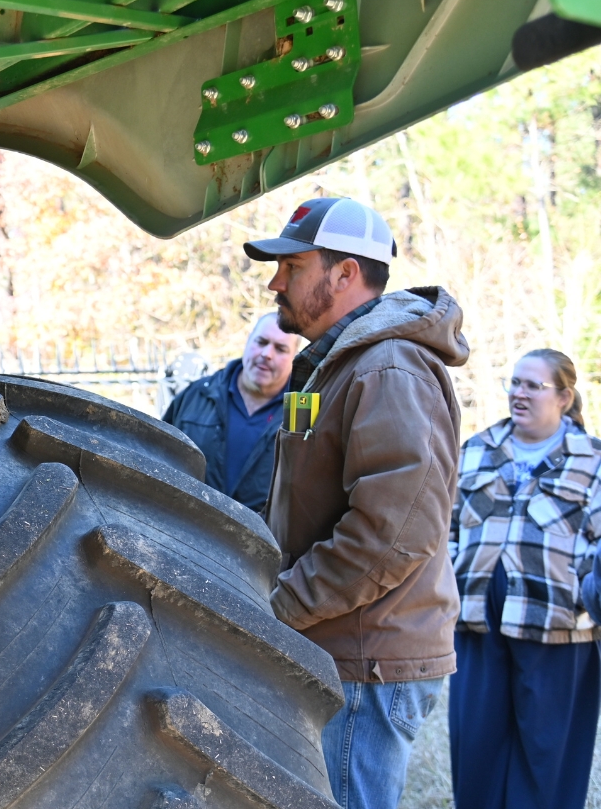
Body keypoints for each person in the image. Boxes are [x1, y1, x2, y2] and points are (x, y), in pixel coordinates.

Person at [245, 196, 467, 809]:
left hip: (366, 659)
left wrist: (280, 605)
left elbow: (392, 535)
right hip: (341, 644)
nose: (275, 282)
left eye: (292, 267)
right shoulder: (341, 366)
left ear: (344, 274)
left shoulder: (388, 369)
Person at [450, 349, 601, 809]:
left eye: (533, 385)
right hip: (478, 627)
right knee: (475, 753)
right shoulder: (477, 451)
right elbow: (447, 531)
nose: (519, 393)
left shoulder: (592, 461)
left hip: (560, 635)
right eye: (514, 383)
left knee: (547, 766)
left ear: (564, 396)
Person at [163, 314, 299, 511]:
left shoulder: (301, 416)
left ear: (295, 357)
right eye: (261, 342)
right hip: (186, 532)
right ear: (248, 341)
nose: (267, 354)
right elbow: (158, 459)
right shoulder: (196, 396)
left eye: (281, 349)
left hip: (262, 540)